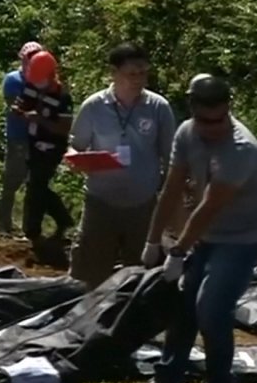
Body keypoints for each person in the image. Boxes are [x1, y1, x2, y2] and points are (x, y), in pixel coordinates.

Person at [124, 74, 257, 383]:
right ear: (192, 110)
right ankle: (168, 381)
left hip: (242, 237)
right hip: (207, 233)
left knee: (212, 306)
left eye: (218, 120)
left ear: (228, 110)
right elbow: (172, 188)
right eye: (205, 121)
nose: (211, 128)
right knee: (183, 302)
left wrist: (178, 251)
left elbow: (209, 206)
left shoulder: (241, 148)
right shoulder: (187, 133)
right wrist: (152, 241)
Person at [69, 43, 177, 288]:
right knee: (92, 272)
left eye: (143, 73)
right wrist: (76, 159)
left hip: (143, 204)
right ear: (114, 73)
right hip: (100, 202)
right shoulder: (94, 106)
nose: (138, 79)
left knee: (142, 275)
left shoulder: (158, 107)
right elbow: (75, 145)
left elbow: (171, 156)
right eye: (132, 74)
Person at [12, 51, 74, 250]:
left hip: (52, 147)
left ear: (50, 75)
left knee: (36, 185)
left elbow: (64, 128)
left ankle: (34, 231)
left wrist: (39, 119)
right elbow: (23, 103)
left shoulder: (62, 97)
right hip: (33, 143)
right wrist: (19, 109)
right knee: (35, 185)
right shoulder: (31, 87)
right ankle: (61, 220)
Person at [0, 41, 44, 238]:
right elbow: (15, 106)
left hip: (39, 138)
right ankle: (3, 225)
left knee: (34, 184)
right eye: (29, 58)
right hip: (18, 137)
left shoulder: (46, 81)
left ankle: (29, 229)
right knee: (11, 180)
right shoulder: (13, 79)